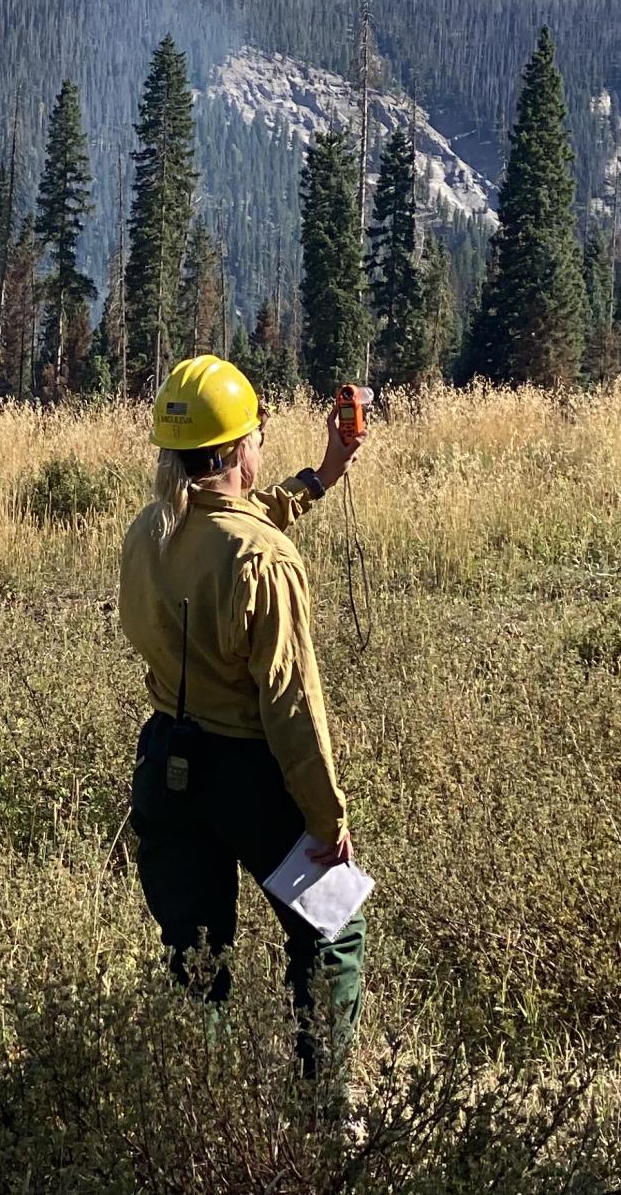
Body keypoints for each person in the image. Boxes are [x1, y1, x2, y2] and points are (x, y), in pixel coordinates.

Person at [118, 353, 367, 1075]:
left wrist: (321, 477)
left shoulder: (150, 531)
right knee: (333, 926)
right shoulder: (266, 560)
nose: (262, 444)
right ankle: (326, 1115)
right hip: (250, 777)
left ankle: (201, 1114)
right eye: (258, 432)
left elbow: (231, 527)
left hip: (165, 766)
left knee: (196, 962)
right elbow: (293, 708)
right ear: (237, 451)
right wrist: (328, 820)